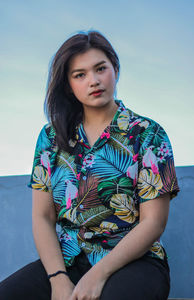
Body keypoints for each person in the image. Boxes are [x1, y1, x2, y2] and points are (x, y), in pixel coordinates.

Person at [0, 30, 180, 300]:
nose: (94, 81)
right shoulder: (50, 138)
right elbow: (43, 217)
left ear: (115, 70)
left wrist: (97, 276)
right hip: (69, 260)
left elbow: (153, 222)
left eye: (100, 69)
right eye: (80, 75)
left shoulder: (148, 133)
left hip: (134, 261)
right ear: (68, 85)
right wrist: (58, 279)